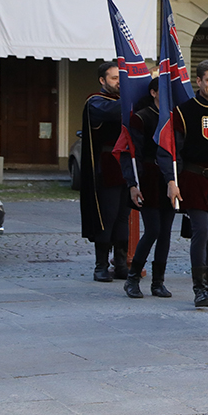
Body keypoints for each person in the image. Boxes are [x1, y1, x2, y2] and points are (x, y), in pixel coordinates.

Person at [162, 59, 208, 308]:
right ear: (199, 81)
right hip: (193, 178)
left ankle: (207, 283)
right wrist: (172, 180)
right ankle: (199, 289)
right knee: (201, 231)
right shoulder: (184, 111)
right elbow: (174, 150)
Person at [120, 80, 175, 299]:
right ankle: (133, 278)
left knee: (166, 233)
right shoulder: (141, 117)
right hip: (148, 177)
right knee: (153, 229)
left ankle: (158, 282)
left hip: (169, 177)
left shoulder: (174, 117)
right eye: (162, 91)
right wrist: (133, 184)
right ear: (153, 92)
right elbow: (132, 152)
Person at [80, 61, 131, 282]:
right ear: (103, 81)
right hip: (106, 165)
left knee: (123, 218)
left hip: (127, 165)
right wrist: (134, 92)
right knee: (107, 217)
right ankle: (100, 265)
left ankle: (120, 264)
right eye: (114, 78)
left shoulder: (126, 99)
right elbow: (114, 112)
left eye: (122, 79)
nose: (119, 83)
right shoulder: (96, 102)